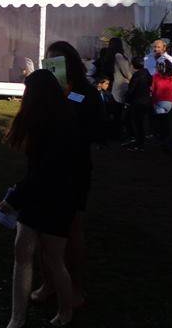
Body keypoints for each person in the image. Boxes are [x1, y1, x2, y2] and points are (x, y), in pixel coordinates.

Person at [0, 69, 77, 328]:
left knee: (52, 258)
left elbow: (44, 172)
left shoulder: (56, 127)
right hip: (46, 195)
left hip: (53, 198)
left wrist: (14, 199)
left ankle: (65, 311)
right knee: (26, 253)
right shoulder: (52, 120)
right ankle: (17, 317)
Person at [34, 40, 105, 308]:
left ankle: (75, 287)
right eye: (49, 62)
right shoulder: (49, 91)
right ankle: (49, 282)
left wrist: (68, 103)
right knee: (42, 228)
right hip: (45, 165)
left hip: (73, 168)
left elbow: (95, 130)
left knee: (71, 229)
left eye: (57, 62)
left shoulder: (85, 92)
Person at [122, 56, 152, 151]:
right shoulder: (146, 73)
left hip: (137, 102)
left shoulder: (136, 75)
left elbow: (131, 90)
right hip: (146, 101)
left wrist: (127, 101)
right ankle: (140, 142)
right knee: (140, 123)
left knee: (137, 123)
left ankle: (139, 144)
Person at [151, 58, 172, 152]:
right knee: (166, 123)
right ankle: (167, 141)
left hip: (158, 102)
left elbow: (152, 90)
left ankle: (164, 142)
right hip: (170, 102)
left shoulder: (156, 77)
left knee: (161, 124)